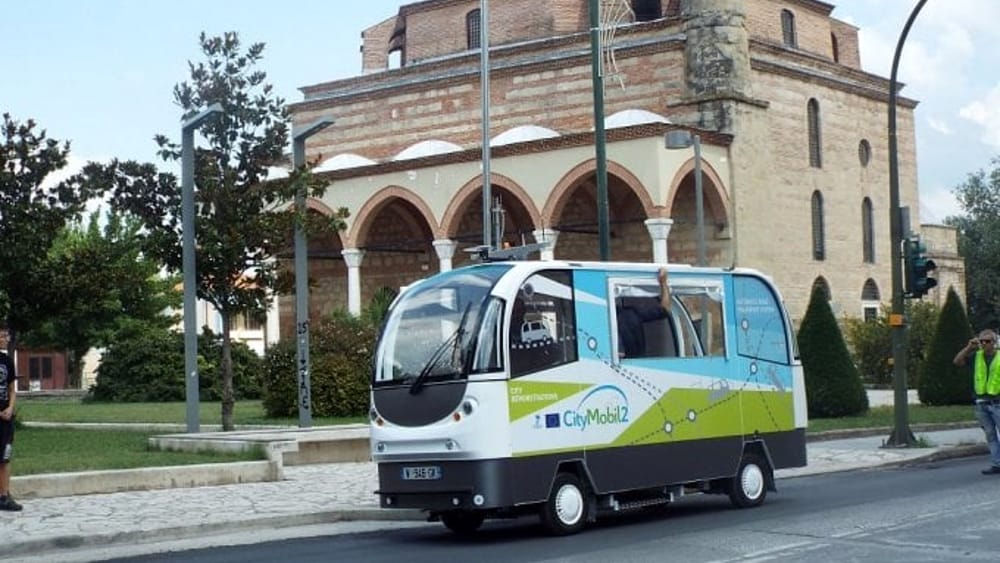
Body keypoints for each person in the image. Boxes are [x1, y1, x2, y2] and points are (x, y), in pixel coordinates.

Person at [953, 329, 1000, 475]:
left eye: (988, 341)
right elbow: (957, 361)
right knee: (990, 435)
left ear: (995, 342)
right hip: (981, 404)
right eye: (982, 341)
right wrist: (969, 347)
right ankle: (996, 464)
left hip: (998, 403)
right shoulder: (976, 357)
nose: (985, 344)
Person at [617, 268, 672, 359]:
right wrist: (663, 282)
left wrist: (663, 282)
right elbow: (665, 309)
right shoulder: (629, 314)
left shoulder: (629, 314)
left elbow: (664, 310)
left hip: (632, 367)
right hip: (634, 366)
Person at [0, 330, 21, 511]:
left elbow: (12, 389)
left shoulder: (7, 361)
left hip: (6, 418)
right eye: (1, 336)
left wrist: (10, 408)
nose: (5, 340)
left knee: (5, 457)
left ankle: (5, 496)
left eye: (6, 336)